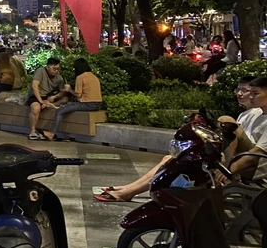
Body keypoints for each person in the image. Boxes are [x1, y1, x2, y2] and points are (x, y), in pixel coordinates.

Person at [95, 76, 261, 202]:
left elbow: (255, 151)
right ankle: (129, 189)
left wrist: (229, 168)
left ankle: (128, 192)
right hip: (239, 159)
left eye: (251, 92)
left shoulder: (259, 115)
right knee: (170, 158)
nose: (241, 94)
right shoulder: (246, 114)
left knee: (224, 123)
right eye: (240, 90)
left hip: (247, 165)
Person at [42, 58, 103, 141]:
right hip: (97, 104)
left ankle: (52, 133)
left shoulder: (80, 77)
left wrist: (69, 89)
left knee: (60, 111)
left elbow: (78, 94)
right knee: (68, 105)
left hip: (87, 104)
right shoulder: (94, 76)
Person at [27, 58, 67, 140]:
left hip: (48, 97)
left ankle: (50, 104)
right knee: (35, 108)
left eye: (58, 69)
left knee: (65, 99)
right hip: (36, 95)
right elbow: (34, 86)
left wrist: (54, 97)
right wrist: (41, 102)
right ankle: (33, 131)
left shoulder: (59, 78)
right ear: (48, 67)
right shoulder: (40, 71)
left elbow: (62, 92)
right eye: (54, 69)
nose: (56, 71)